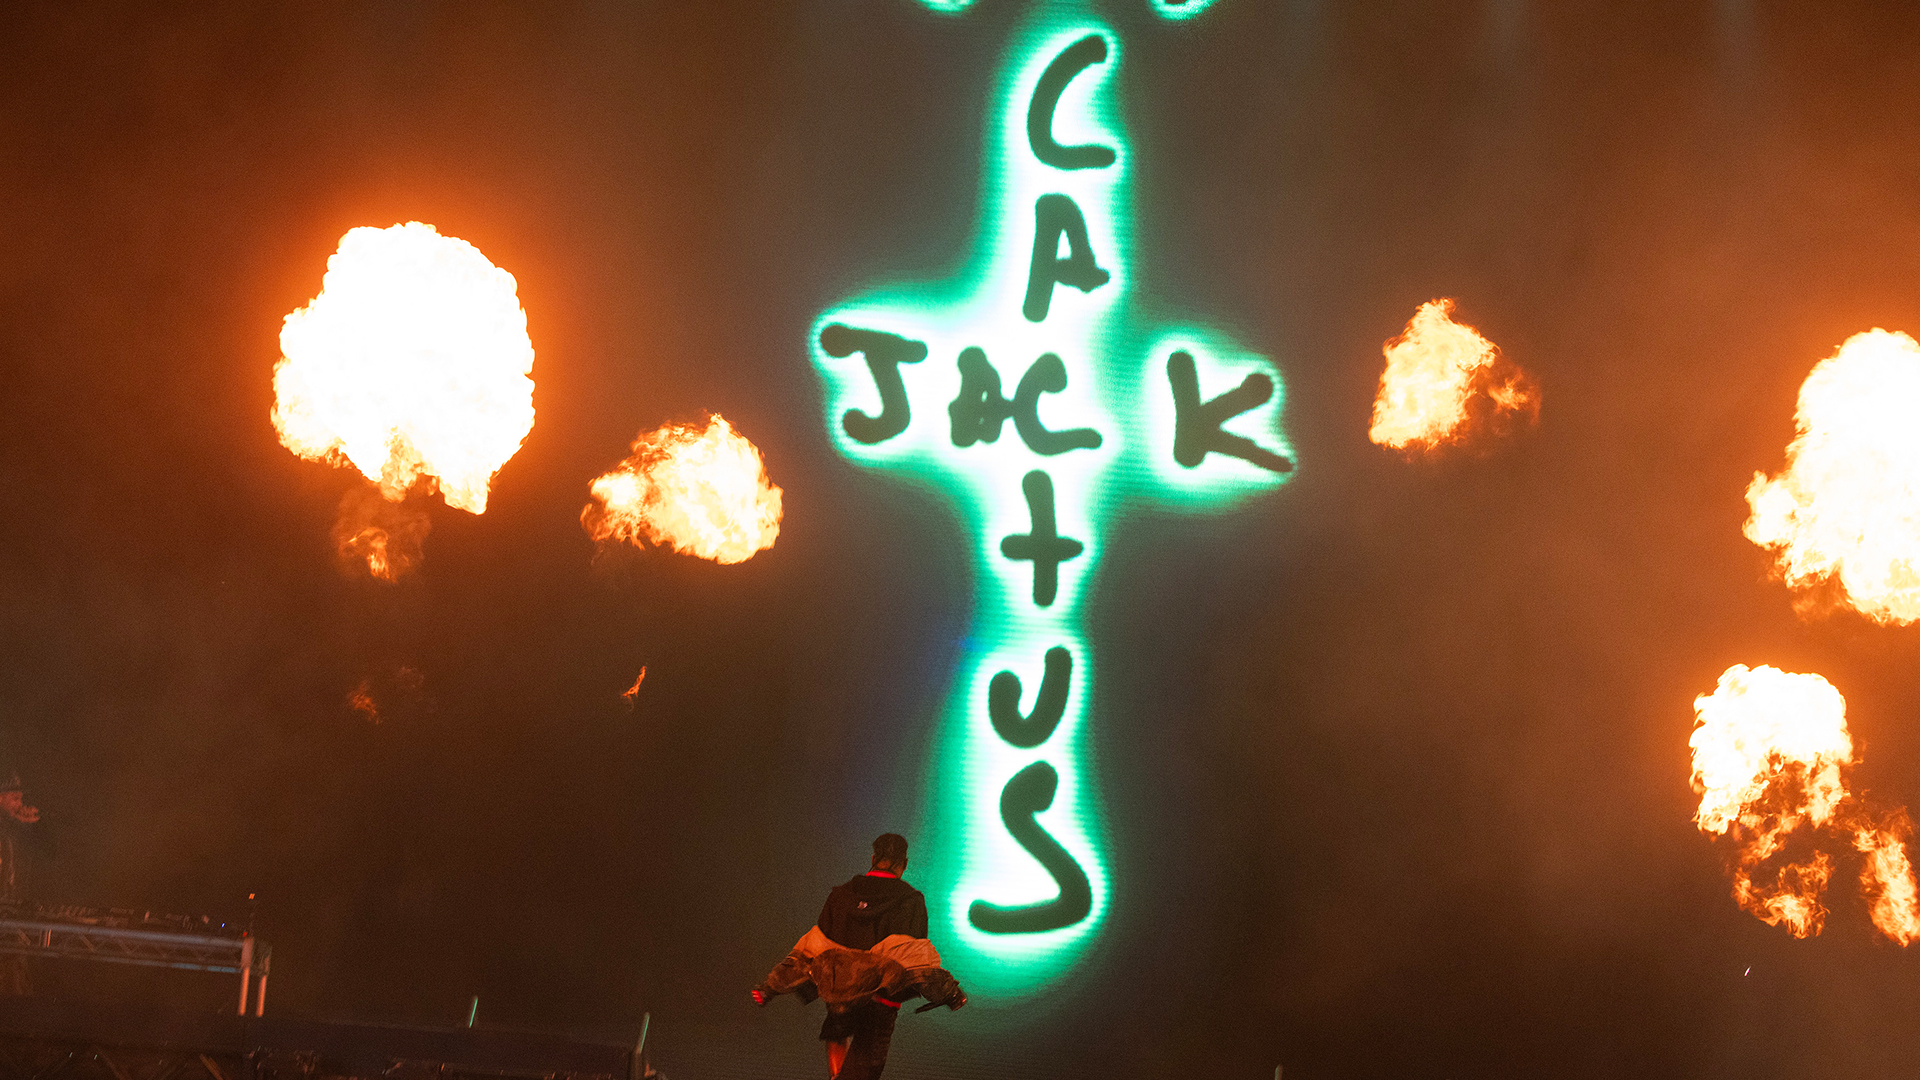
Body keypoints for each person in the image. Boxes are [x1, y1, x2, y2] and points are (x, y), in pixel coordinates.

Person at [752, 833, 966, 1080]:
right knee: (865, 1069)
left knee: (836, 1035)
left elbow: (816, 947)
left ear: (873, 858)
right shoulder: (911, 900)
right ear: (904, 863)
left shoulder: (840, 895)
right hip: (881, 1000)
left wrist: (770, 988)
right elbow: (914, 956)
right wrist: (950, 995)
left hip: (841, 994)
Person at [0, 773, 40, 996]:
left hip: (10, 912)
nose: (20, 804)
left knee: (15, 969)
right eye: (14, 798)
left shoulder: (10, 828)